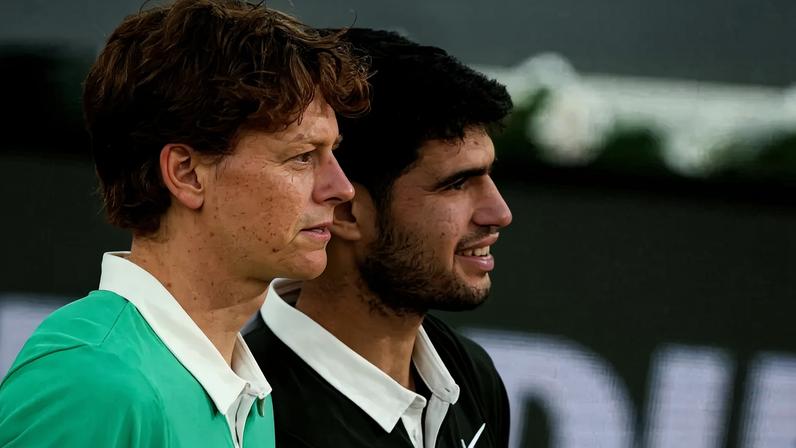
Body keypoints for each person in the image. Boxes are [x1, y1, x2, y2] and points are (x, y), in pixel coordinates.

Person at [0, 1, 368, 447]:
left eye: (333, 153)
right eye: (302, 156)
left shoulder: (241, 389)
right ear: (187, 174)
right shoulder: (91, 382)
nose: (341, 188)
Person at [245, 28, 514, 448]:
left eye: (489, 175)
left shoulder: (472, 375)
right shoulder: (250, 414)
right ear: (346, 211)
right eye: (457, 184)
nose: (499, 213)